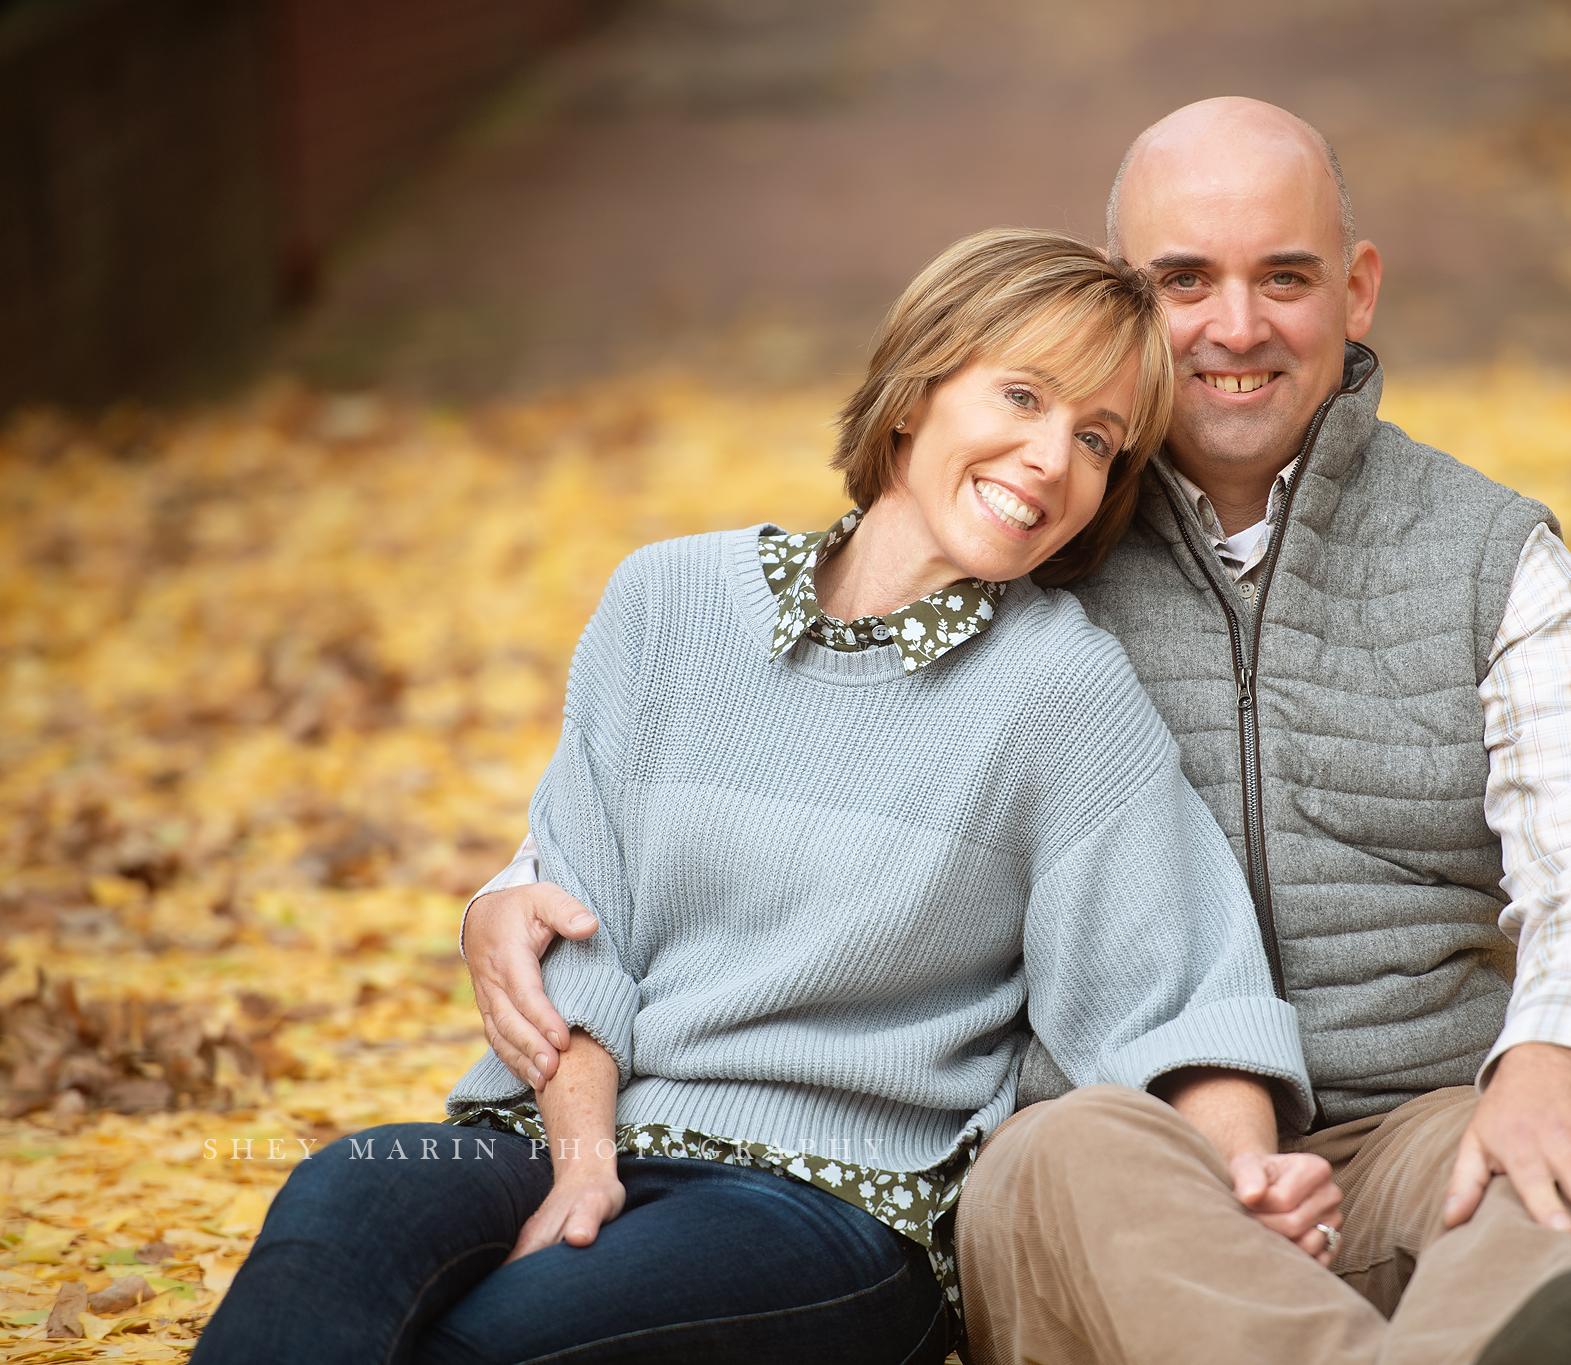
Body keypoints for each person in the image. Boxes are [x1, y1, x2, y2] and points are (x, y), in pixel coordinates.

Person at [465, 99, 1571, 1365]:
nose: (1235, 325)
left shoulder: (1490, 560)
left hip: (1415, 1124)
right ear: (1117, 304)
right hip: (1113, 1156)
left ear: (1357, 289)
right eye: (1182, 280)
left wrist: (1553, 1056)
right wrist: (518, 886)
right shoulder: (1025, 529)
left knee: (1551, 1190)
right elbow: (781, 727)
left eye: (1284, 277)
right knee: (1063, 1158)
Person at [191, 228, 1324, 1365]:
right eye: (1021, 396)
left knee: (485, 1347)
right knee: (340, 1198)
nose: (1048, 458)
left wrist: (1247, 1181)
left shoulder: (1060, 689)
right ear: (914, 395)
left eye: (1095, 440)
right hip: (567, 1127)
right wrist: (586, 1160)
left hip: (829, 1206)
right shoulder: (666, 602)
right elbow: (580, 919)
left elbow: (1178, 991)